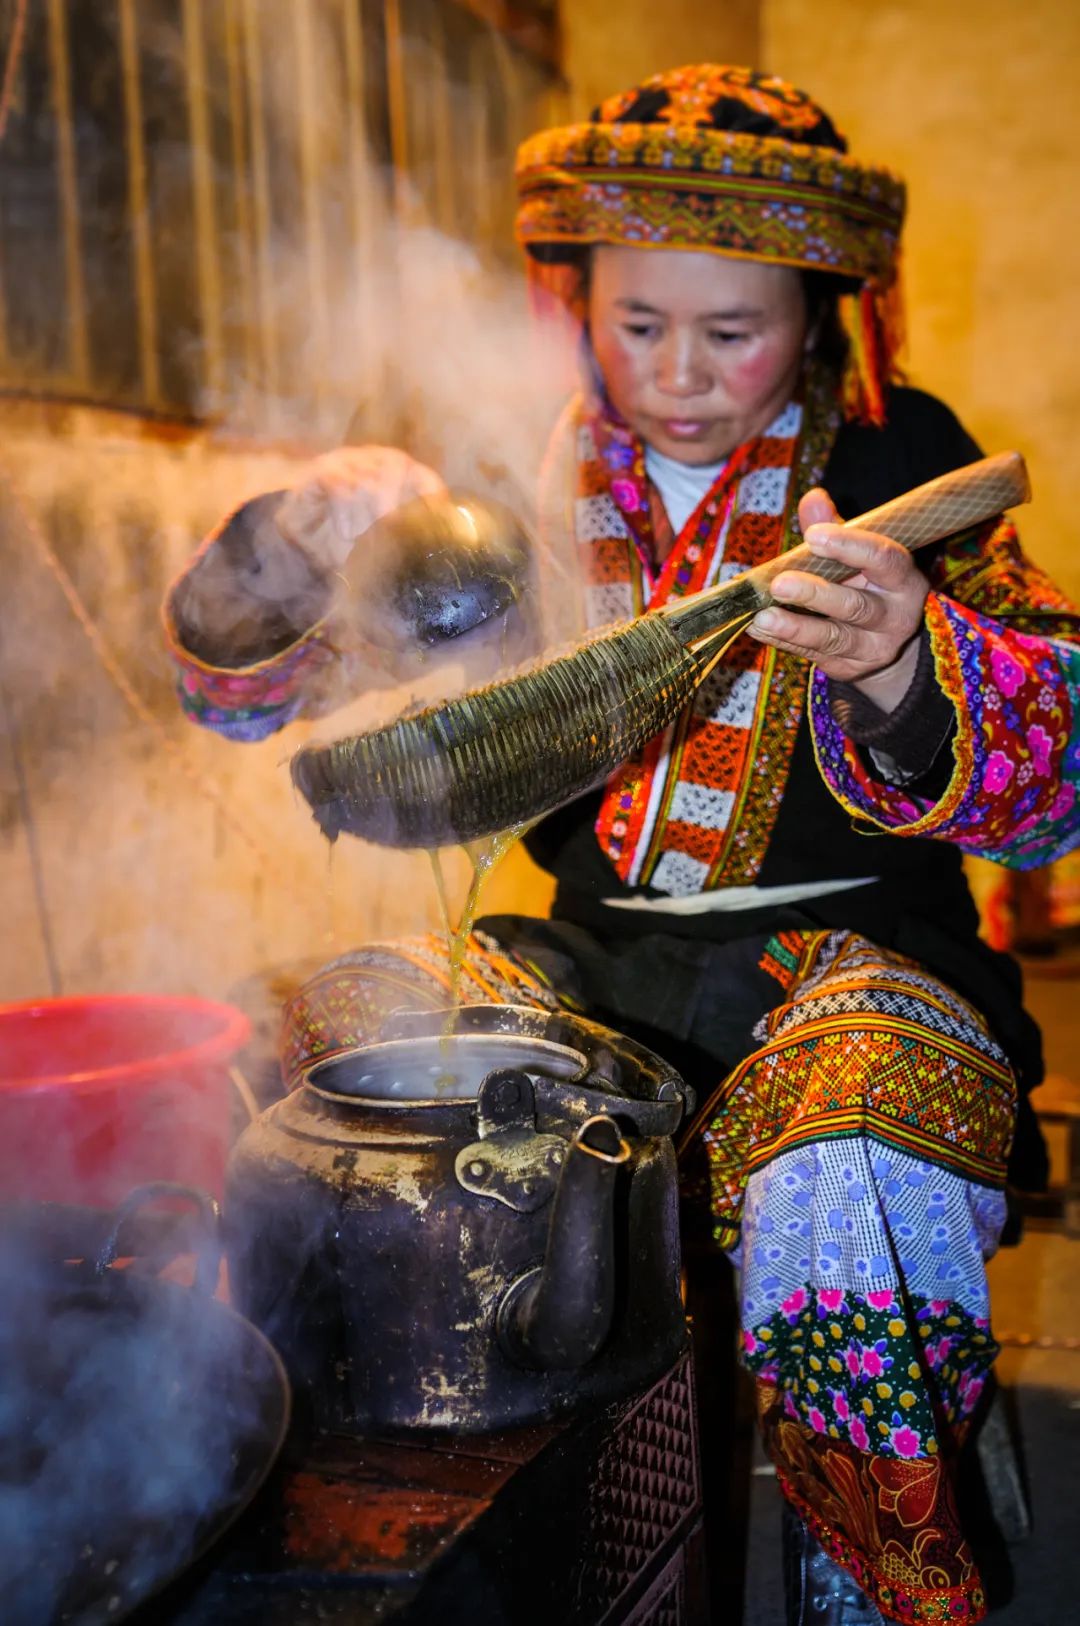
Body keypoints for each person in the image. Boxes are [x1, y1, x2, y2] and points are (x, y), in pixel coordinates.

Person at [164, 66, 1080, 1626]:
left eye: (736, 332)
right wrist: (285, 548)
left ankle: (871, 1580)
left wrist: (903, 670)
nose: (681, 373)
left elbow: (1061, 775)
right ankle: (503, 1533)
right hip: (583, 960)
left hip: (857, 950)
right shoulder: (500, 467)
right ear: (573, 297)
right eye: (638, 322)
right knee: (318, 1053)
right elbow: (239, 698)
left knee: (845, 1149)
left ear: (824, 316)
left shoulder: (901, 459)